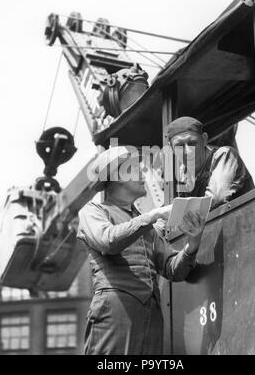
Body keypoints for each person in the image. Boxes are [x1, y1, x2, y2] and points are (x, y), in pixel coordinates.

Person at [77, 146, 206, 355]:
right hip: (115, 312)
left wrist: (193, 242)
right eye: (134, 169)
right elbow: (108, 241)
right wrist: (153, 216)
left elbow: (173, 269)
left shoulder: (144, 223)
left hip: (151, 314)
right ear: (118, 176)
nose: (142, 174)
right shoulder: (94, 212)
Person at [167, 116, 255, 209]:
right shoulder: (183, 174)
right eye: (179, 146)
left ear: (204, 139)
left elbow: (214, 200)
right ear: (172, 148)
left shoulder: (225, 155)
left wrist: (160, 213)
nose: (188, 151)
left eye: (192, 143)